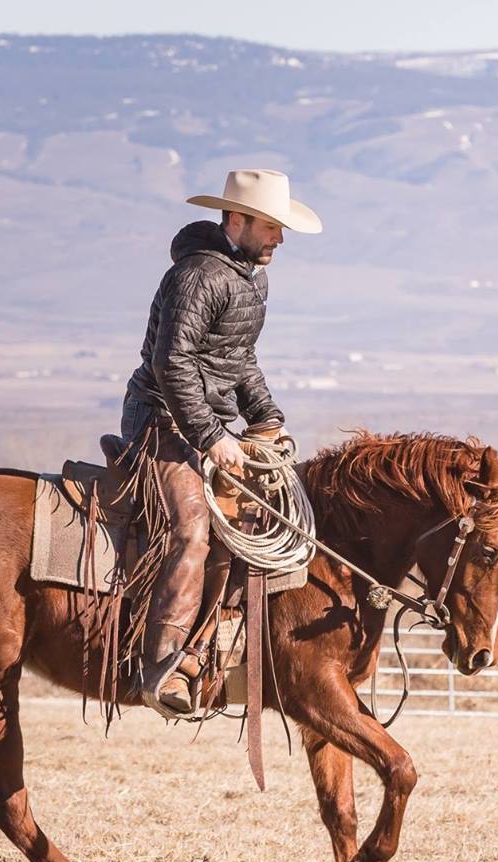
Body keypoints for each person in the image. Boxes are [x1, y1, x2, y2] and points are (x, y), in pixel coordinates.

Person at [121, 169, 322, 716]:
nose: (279, 238)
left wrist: (266, 417)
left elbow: (239, 360)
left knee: (257, 519)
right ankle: (163, 665)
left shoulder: (250, 276)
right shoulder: (200, 276)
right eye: (271, 226)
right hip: (160, 418)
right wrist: (211, 437)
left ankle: (212, 651)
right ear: (237, 220)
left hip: (204, 422)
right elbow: (171, 362)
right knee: (192, 525)